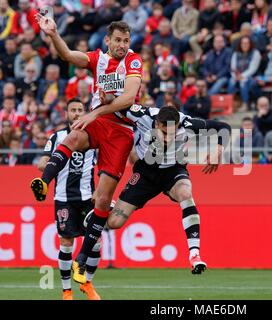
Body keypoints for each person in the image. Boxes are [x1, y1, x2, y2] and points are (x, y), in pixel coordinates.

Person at [30, 17, 142, 284]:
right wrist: (54, 33)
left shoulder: (133, 61)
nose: (122, 46)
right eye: (117, 40)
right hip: (99, 122)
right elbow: (67, 55)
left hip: (121, 131)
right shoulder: (97, 59)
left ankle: (81, 262)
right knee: (74, 136)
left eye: (126, 41)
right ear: (107, 40)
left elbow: (128, 98)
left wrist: (97, 112)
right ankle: (44, 183)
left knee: (102, 201)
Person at [106, 105, 231, 274]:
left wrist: (218, 149)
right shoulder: (143, 115)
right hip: (146, 173)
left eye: (172, 133)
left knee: (186, 194)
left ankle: (195, 255)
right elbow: (115, 106)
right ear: (157, 124)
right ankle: (110, 207)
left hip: (173, 169)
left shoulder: (188, 124)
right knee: (114, 223)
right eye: (164, 133)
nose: (167, 138)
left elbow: (224, 127)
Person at [37, 99, 100, 300]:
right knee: (66, 243)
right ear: (66, 114)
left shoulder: (94, 138)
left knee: (96, 241)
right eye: (72, 110)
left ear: (85, 113)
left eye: (80, 110)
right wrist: (50, 164)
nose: (76, 113)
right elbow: (43, 162)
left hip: (87, 198)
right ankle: (66, 292)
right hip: (63, 198)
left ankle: (87, 284)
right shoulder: (57, 137)